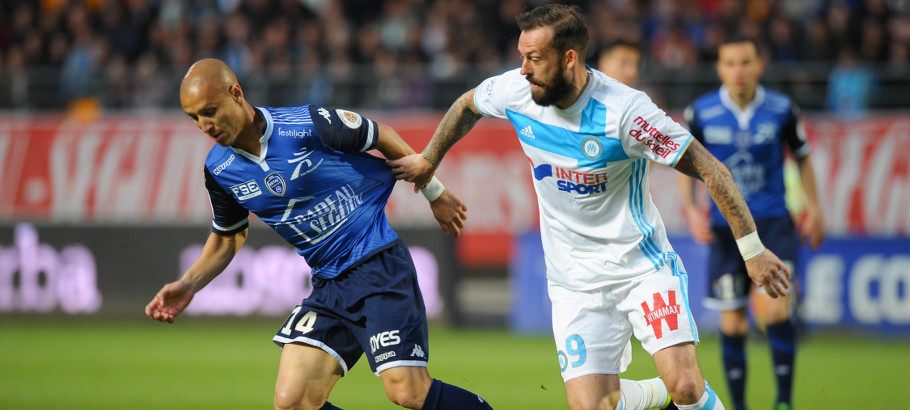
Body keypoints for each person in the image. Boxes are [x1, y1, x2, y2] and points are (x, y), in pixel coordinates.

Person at [389, 4, 792, 410]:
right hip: (574, 282)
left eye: (535, 58)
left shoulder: (626, 112)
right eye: (521, 57)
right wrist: (428, 161)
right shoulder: (516, 89)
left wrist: (752, 252)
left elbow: (710, 169)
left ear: (569, 59)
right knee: (593, 406)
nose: (524, 69)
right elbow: (467, 105)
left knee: (686, 386)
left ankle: (676, 394)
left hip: (640, 267)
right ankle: (657, 395)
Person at [145, 58, 493, 410]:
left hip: (377, 265)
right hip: (330, 286)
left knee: (407, 391)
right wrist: (188, 284)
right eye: (194, 118)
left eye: (210, 110)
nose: (205, 125)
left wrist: (434, 192)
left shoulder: (304, 125)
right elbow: (228, 235)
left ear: (236, 93)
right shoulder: (220, 170)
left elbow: (380, 135)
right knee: (293, 402)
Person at [677, 36, 825, 410]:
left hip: (774, 222)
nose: (738, 71)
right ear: (719, 68)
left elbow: (803, 157)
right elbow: (683, 160)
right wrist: (692, 210)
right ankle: (740, 405)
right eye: (730, 63)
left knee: (775, 308)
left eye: (746, 62)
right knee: (733, 321)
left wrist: (815, 207)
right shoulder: (701, 111)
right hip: (726, 229)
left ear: (760, 64)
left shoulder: (781, 109)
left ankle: (783, 402)